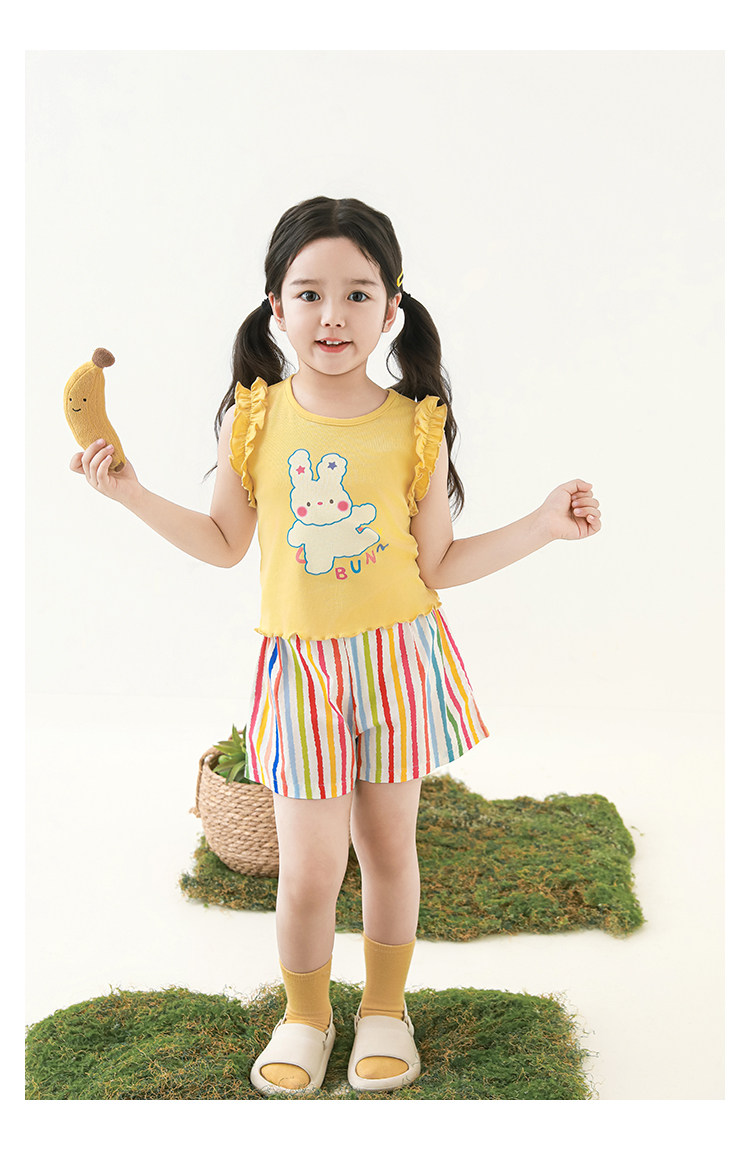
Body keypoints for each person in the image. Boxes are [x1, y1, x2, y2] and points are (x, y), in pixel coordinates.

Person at [71, 195, 601, 1096]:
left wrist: (543, 525)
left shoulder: (415, 423)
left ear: (392, 307)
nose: (333, 315)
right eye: (309, 292)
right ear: (274, 307)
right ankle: (307, 1015)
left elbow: (439, 563)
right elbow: (224, 544)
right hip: (299, 669)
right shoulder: (254, 421)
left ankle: (386, 1009)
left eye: (358, 293)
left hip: (398, 660)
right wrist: (130, 494)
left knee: (389, 851)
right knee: (312, 867)